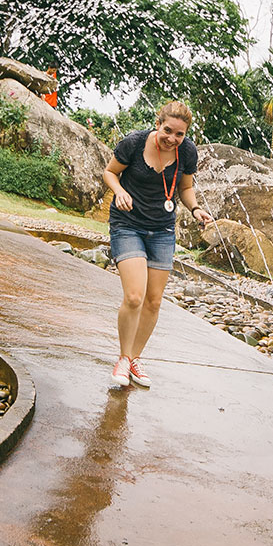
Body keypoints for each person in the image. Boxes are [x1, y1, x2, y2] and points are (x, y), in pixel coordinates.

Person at [103, 101, 213, 388]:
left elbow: (185, 188)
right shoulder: (134, 143)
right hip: (127, 224)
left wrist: (195, 209)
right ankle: (123, 358)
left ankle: (135, 358)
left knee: (153, 301)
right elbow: (110, 172)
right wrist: (119, 191)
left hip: (162, 229)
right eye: (168, 131)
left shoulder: (187, 152)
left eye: (179, 134)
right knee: (135, 296)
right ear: (158, 123)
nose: (172, 139)